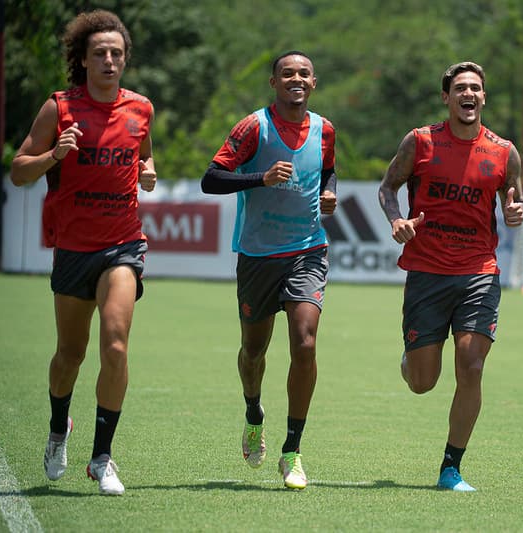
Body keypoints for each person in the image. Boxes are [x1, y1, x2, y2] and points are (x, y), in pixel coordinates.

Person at [10, 10, 156, 496]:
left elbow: (145, 153)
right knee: (69, 355)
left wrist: (148, 171)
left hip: (123, 244)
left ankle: (102, 458)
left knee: (115, 343)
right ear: (83, 59)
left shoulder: (141, 109)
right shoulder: (59, 108)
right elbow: (18, 171)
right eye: (100, 53)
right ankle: (58, 430)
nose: (110, 60)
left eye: (117, 53)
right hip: (73, 248)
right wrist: (54, 155)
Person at [378, 61, 523, 491]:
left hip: (479, 270)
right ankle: (411, 360)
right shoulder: (420, 141)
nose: (468, 94)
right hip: (426, 271)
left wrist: (515, 212)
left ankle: (451, 467)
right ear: (447, 97)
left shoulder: (503, 151)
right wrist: (396, 220)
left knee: (472, 365)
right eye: (460, 88)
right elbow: (387, 187)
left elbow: (514, 199)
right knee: (423, 383)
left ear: (483, 97)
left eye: (475, 88)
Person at [201, 51, 337, 490]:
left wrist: (329, 195)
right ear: (274, 82)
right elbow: (212, 179)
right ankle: (253, 411)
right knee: (253, 352)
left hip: (308, 250)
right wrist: (259, 178)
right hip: (258, 256)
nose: (295, 79)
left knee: (306, 342)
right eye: (287, 73)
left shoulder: (325, 129)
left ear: (313, 82)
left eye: (303, 73)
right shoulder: (252, 127)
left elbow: (329, 171)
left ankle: (292, 451)